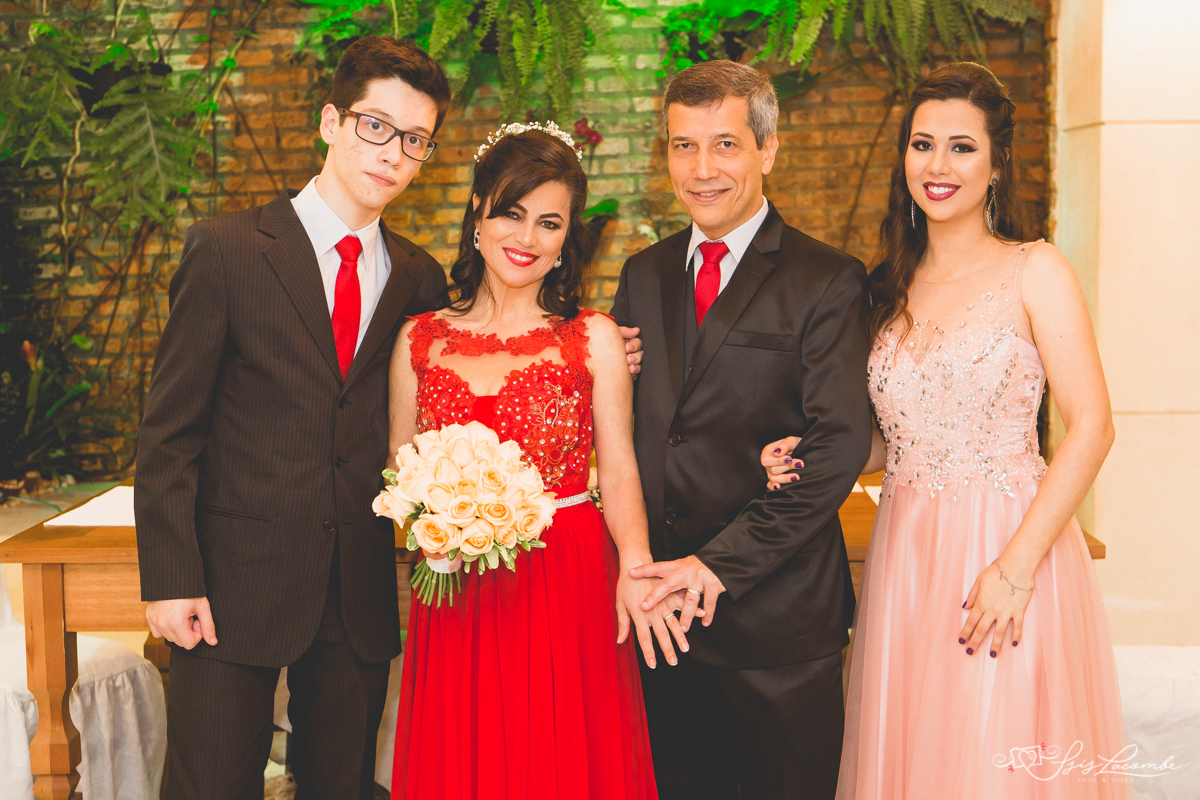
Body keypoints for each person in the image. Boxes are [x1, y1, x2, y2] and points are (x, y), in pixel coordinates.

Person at [762, 62, 1126, 799]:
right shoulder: (883, 288)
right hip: (907, 553)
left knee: (995, 758)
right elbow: (891, 440)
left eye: (962, 147)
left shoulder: (1036, 270)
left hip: (1009, 545)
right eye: (922, 144)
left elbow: (1092, 427)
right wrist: (810, 455)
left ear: (996, 164)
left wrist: (1015, 569)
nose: (938, 165)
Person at [134, 36, 453, 800]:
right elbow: (170, 434)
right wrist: (172, 579)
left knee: (342, 787)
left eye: (415, 139)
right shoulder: (227, 250)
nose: (393, 154)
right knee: (211, 787)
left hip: (355, 591)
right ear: (331, 122)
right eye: (376, 126)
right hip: (230, 585)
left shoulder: (418, 277)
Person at [388, 122, 677, 799]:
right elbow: (398, 469)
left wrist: (635, 569)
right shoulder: (418, 340)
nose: (527, 238)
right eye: (511, 213)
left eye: (549, 223)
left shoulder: (593, 337)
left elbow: (621, 468)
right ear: (477, 211)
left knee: (561, 758)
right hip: (456, 584)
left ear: (567, 237)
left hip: (566, 577)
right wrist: (435, 524)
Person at [612, 60, 873, 800]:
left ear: (769, 149)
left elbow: (838, 446)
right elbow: (631, 431)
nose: (702, 170)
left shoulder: (827, 279)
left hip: (777, 628)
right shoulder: (643, 274)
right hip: (664, 625)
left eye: (725, 144)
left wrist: (716, 566)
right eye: (683, 146)